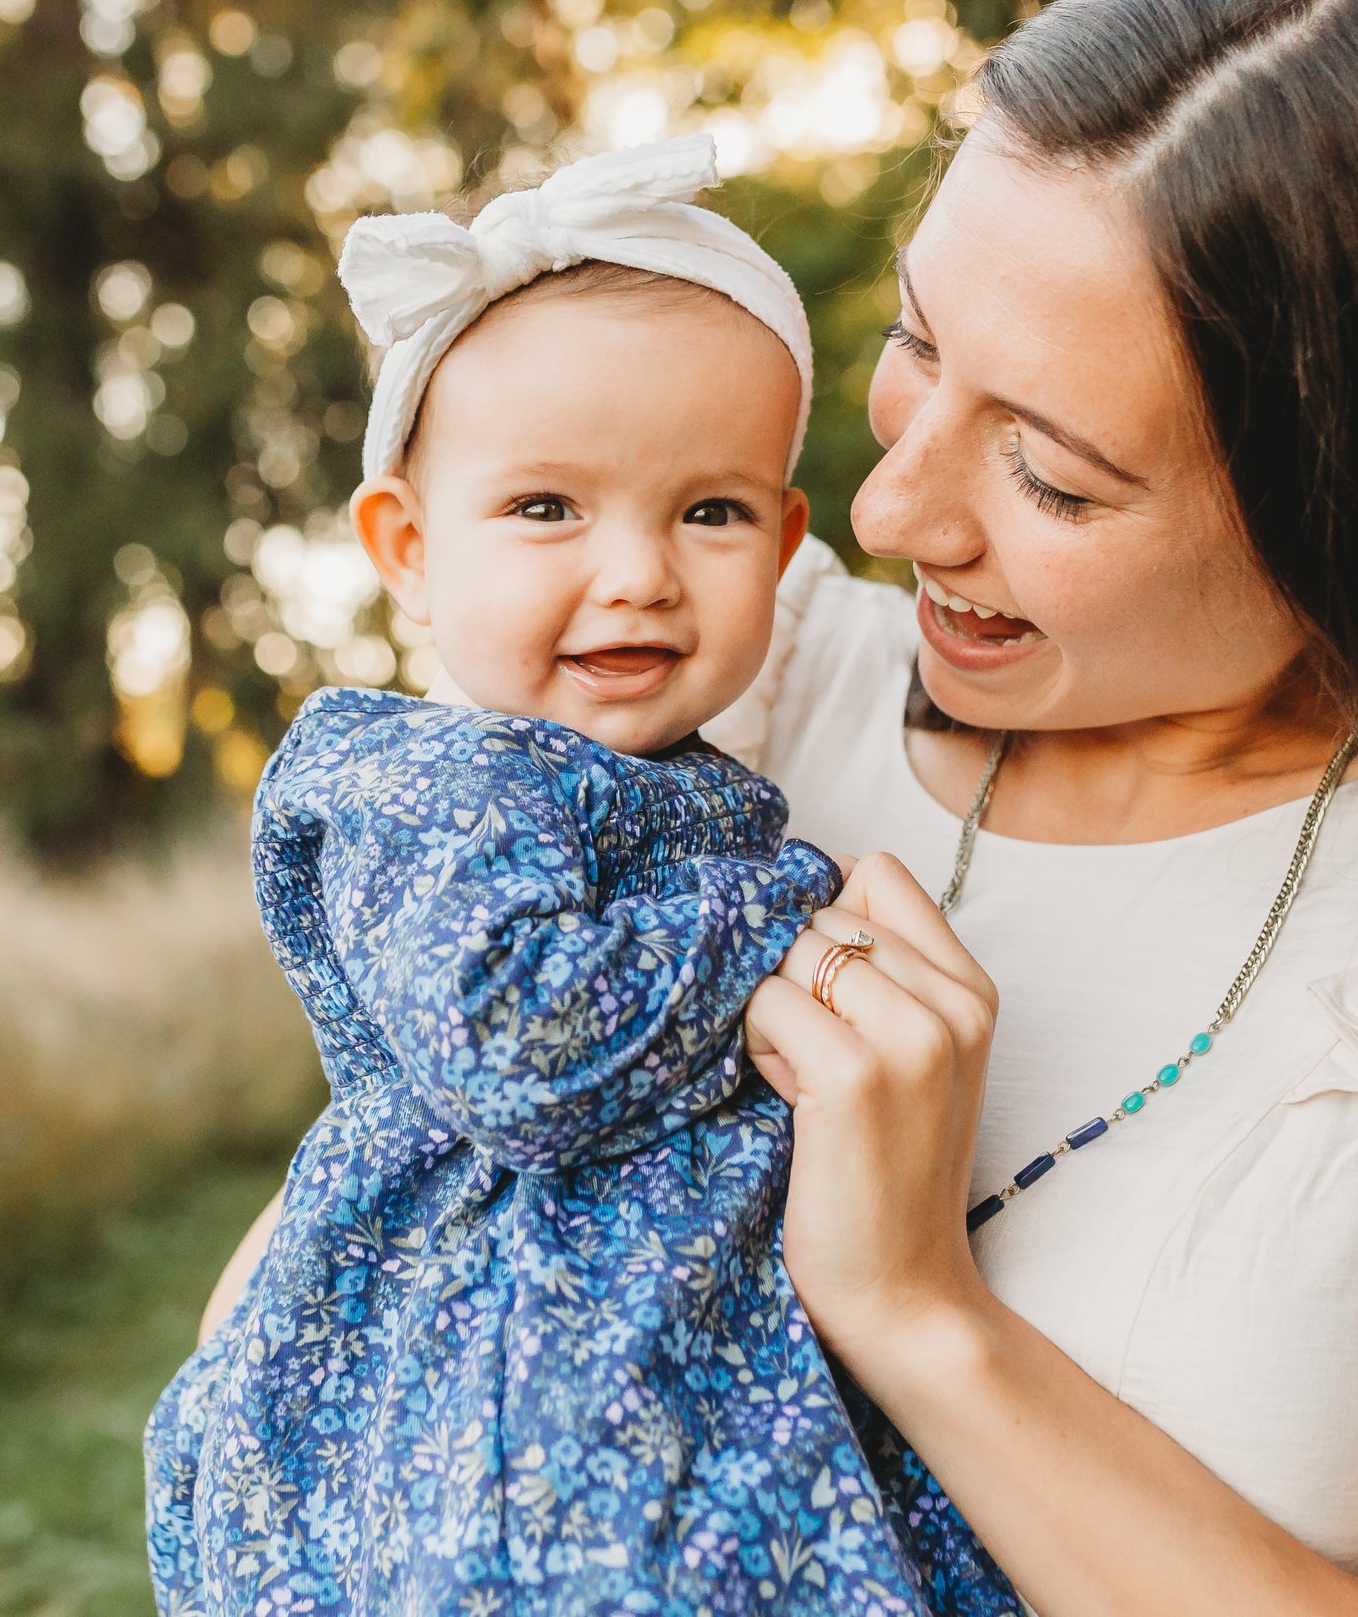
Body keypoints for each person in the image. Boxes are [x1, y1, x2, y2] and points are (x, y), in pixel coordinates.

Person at [197, 0, 1358, 1611]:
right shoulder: (729, 672)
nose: (889, 511)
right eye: (915, 339)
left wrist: (918, 1312)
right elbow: (349, 1255)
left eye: (1050, 474)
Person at [144, 138, 1016, 1617]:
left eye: (711, 511)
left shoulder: (681, 780)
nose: (640, 573)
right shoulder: (424, 785)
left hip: (664, 1362)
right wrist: (780, 914)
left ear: (788, 540)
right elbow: (521, 1045)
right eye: (548, 508)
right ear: (407, 550)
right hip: (480, 1382)